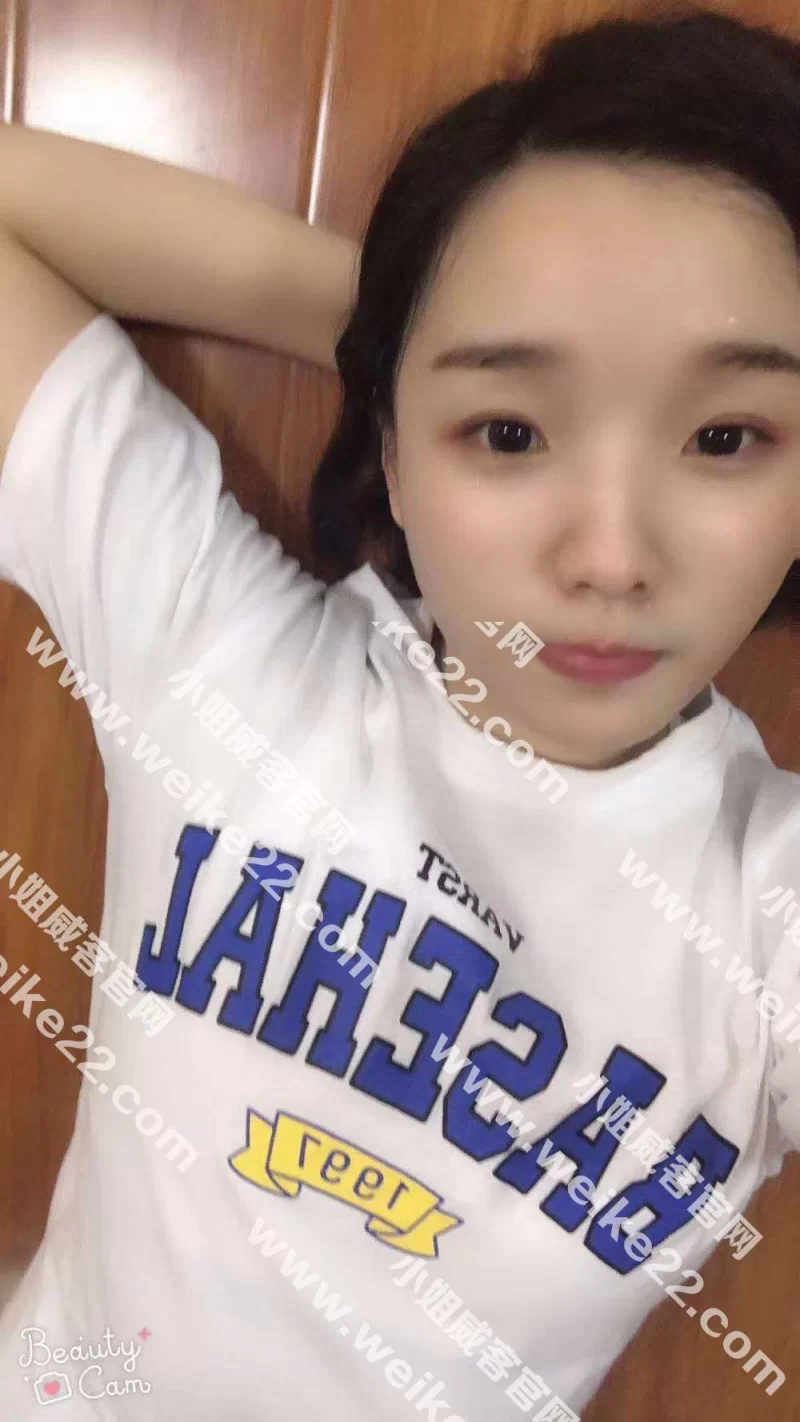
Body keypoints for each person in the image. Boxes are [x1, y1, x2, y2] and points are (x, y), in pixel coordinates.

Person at [0, 6, 798, 1419]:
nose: (612, 557)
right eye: (508, 431)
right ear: (391, 447)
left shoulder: (765, 901)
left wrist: (467, 359)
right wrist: (403, 324)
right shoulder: (217, 658)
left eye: (724, 436)